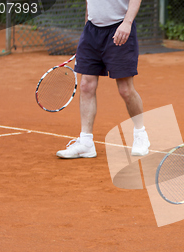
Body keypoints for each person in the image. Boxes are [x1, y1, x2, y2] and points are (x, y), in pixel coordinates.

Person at [57, 0, 150, 158]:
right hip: (92, 32)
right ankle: (86, 142)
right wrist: (87, 23)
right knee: (86, 85)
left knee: (125, 89)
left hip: (120, 28)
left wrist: (127, 23)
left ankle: (141, 135)